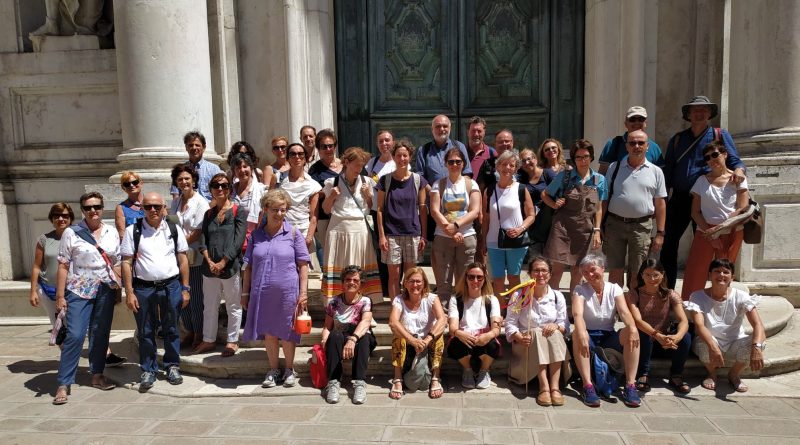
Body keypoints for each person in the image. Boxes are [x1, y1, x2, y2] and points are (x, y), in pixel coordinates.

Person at [661, 96, 746, 289]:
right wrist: (662, 199)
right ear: (688, 115)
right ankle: (666, 291)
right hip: (681, 198)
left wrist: (740, 169)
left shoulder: (720, 135)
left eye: (704, 110)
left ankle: (710, 292)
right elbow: (668, 170)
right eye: (695, 110)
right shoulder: (677, 140)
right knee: (668, 244)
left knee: (707, 247)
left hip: (708, 199)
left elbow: (735, 160)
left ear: (709, 114)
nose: (699, 113)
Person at [53, 192, 120, 405]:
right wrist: (60, 296)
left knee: (100, 333)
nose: (93, 211)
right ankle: (63, 383)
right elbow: (63, 265)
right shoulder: (72, 233)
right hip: (78, 290)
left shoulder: (111, 231)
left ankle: (97, 375)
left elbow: (116, 261)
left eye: (97, 207)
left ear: (102, 208)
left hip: (105, 289)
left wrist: (118, 288)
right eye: (89, 208)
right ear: (82, 210)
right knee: (75, 334)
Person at [241, 189, 310, 388]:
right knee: (269, 332)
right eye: (275, 210)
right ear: (265, 209)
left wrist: (303, 293)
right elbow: (249, 266)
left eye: (283, 210)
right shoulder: (256, 235)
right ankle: (273, 369)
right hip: (262, 292)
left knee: (287, 332)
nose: (279, 214)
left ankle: (289, 369)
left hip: (287, 292)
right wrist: (245, 293)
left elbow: (303, 265)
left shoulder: (294, 233)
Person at [121, 192, 191, 390]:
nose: (153, 210)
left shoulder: (173, 228)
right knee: (145, 330)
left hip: (171, 286)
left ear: (164, 208)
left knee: (171, 328)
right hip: (143, 288)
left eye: (157, 207)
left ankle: (172, 366)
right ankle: (148, 369)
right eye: (148, 206)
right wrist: (129, 292)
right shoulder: (132, 231)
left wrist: (185, 288)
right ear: (142, 208)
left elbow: (183, 259)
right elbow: (126, 263)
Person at [680, 141, 749, 300]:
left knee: (723, 273)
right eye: (707, 158)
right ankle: (691, 311)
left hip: (731, 231)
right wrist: (711, 234)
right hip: (706, 231)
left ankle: (719, 306)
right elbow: (695, 212)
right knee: (695, 272)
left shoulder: (738, 179)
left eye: (715, 155)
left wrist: (723, 228)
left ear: (724, 154)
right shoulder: (701, 181)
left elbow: (742, 209)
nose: (712, 159)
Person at [684, 259, 765, 393]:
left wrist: (757, 348)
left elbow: (758, 325)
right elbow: (699, 325)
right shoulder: (697, 296)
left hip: (735, 342)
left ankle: (734, 374)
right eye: (717, 271)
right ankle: (712, 374)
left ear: (732, 277)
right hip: (710, 341)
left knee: (758, 342)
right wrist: (712, 346)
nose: (721, 275)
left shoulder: (741, 296)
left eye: (726, 272)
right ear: (709, 275)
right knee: (704, 343)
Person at [571, 254, 641, 408]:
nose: (590, 275)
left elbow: (624, 312)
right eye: (585, 272)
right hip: (588, 335)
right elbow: (577, 314)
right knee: (577, 333)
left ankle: (630, 385)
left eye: (593, 270)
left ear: (603, 269)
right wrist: (582, 331)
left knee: (631, 332)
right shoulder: (580, 289)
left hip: (608, 337)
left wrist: (632, 327)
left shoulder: (614, 288)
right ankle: (587, 386)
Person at [602, 130, 667, 290]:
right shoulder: (614, 167)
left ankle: (633, 307)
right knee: (615, 271)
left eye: (640, 143)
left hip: (642, 227)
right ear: (626, 146)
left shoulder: (656, 171)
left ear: (647, 146)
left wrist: (660, 233)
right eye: (632, 143)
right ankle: (616, 309)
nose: (636, 146)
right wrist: (599, 227)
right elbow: (604, 199)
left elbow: (660, 204)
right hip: (615, 225)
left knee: (638, 271)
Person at [542, 139, 607, 293]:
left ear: (591, 157)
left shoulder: (599, 180)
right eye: (578, 157)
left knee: (578, 271)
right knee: (556, 269)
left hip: (585, 230)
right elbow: (545, 194)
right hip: (562, 228)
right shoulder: (565, 176)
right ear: (573, 158)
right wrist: (554, 204)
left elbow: (599, 207)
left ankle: (573, 310)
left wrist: (597, 230)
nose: (582, 160)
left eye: (586, 156)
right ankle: (554, 307)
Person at [194, 173, 247, 356]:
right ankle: (208, 339)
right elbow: (203, 239)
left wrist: (223, 262)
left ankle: (232, 341)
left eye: (224, 185)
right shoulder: (208, 213)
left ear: (229, 189)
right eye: (216, 185)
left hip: (230, 267)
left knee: (233, 305)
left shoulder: (237, 211)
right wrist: (209, 261)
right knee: (209, 304)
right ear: (211, 190)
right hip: (209, 268)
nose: (220, 189)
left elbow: (238, 240)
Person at [505, 257, 568, 406]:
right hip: (526, 347)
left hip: (551, 343)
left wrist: (556, 326)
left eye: (544, 270)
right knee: (538, 333)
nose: (540, 274)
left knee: (555, 332)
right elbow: (510, 323)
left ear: (550, 274)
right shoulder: (519, 295)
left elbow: (564, 324)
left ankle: (555, 387)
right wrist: (518, 336)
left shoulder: (557, 297)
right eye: (537, 270)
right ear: (530, 273)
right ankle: (544, 386)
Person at [321, 147, 381, 302]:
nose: (359, 169)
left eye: (361, 166)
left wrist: (368, 196)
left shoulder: (367, 182)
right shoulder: (332, 182)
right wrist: (332, 196)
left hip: (360, 230)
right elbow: (326, 209)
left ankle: (362, 306)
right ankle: (336, 306)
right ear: (346, 163)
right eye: (356, 165)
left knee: (360, 267)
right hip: (338, 229)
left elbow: (370, 208)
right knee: (340, 266)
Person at [627, 258, 692, 394]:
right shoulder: (634, 294)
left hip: (665, 342)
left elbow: (683, 321)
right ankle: (643, 374)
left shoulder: (670, 294)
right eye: (648, 275)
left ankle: (676, 375)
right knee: (644, 333)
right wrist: (657, 335)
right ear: (641, 276)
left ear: (662, 274)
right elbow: (637, 320)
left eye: (656, 275)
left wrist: (676, 337)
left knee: (686, 336)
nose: (652, 279)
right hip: (644, 341)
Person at [377, 140, 428, 301]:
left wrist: (423, 235)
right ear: (393, 157)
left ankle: (409, 305)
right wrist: (381, 236)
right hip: (391, 234)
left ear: (410, 157)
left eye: (405, 155)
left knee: (411, 276)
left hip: (412, 233)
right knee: (394, 275)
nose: (402, 159)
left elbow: (422, 209)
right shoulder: (385, 181)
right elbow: (379, 210)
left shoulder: (418, 180)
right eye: (398, 155)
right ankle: (396, 308)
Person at [430, 148, 481, 304]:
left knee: (465, 278)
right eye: (451, 161)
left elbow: (475, 211)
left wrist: (457, 225)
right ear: (446, 164)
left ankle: (461, 309)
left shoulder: (471, 184)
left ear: (463, 164)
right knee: (443, 279)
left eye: (458, 161)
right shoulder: (439, 184)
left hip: (466, 237)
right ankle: (444, 312)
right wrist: (450, 230)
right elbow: (434, 210)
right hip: (443, 237)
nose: (454, 164)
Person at [482, 150, 535, 301]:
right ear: (497, 166)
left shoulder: (521, 189)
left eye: (511, 165)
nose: (507, 168)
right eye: (504, 164)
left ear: (516, 168)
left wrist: (520, 229)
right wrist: (483, 241)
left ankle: (513, 311)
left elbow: (531, 215)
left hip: (516, 241)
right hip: (493, 241)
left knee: (513, 277)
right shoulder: (489, 190)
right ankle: (500, 312)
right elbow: (485, 218)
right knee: (497, 279)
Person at [388, 267, 447, 399]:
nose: (415, 285)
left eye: (419, 281)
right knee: (398, 336)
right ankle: (397, 378)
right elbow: (393, 322)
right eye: (411, 281)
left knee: (439, 335)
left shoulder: (432, 298)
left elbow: (442, 319)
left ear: (424, 283)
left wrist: (426, 340)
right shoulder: (399, 300)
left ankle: (436, 378)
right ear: (405, 283)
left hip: (427, 342)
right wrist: (412, 340)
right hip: (408, 343)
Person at [321, 265, 376, 404]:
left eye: (355, 280)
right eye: (348, 279)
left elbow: (365, 323)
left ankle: (360, 382)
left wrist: (353, 339)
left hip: (360, 336)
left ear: (360, 283)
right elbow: (327, 327)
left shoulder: (365, 301)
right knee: (334, 335)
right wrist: (324, 340)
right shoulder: (333, 302)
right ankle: (333, 382)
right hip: (341, 335)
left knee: (364, 339)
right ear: (343, 282)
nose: (351, 282)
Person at [170, 163, 210, 349]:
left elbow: (198, 231)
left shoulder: (200, 202)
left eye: (187, 178)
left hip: (194, 256)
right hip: (178, 256)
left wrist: (180, 244)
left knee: (194, 298)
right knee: (180, 294)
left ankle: (199, 332)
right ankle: (189, 329)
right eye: (180, 179)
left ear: (193, 180)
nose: (184, 182)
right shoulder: (176, 202)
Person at [415, 114, 473, 242]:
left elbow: (467, 173)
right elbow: (420, 177)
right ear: (432, 129)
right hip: (434, 206)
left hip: (457, 205)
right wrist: (434, 192)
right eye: (438, 126)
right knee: (437, 243)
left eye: (445, 126)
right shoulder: (423, 150)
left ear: (450, 128)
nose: (442, 129)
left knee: (460, 241)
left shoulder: (459, 147)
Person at [447, 262, 502, 390]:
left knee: (493, 344)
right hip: (465, 337)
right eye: (471, 277)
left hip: (483, 338)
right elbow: (453, 327)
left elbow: (496, 328)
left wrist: (488, 335)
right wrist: (459, 333)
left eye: (479, 277)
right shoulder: (456, 299)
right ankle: (468, 370)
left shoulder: (491, 300)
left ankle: (484, 370)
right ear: (465, 278)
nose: (475, 281)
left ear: (484, 279)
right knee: (456, 343)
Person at [29, 203, 74, 328]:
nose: (61, 219)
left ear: (70, 218)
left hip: (73, 290)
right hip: (49, 290)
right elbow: (36, 266)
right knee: (58, 327)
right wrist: (33, 291)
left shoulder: (78, 238)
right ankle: (64, 348)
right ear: (52, 219)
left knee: (75, 327)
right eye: (56, 216)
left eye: (64, 215)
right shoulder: (44, 240)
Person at [366, 130, 397, 297]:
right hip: (375, 211)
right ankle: (383, 284)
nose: (384, 144)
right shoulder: (372, 162)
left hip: (393, 212)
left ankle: (394, 284)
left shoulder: (397, 162)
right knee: (379, 248)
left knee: (392, 248)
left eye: (387, 140)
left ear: (393, 142)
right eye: (381, 141)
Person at [277, 143, 321, 253]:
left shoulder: (313, 185)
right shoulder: (278, 178)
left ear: (305, 159)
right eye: (293, 154)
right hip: (281, 231)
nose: (297, 157)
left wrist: (309, 238)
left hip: (304, 232)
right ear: (287, 158)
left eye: (300, 154)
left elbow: (314, 216)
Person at [308, 128, 343, 267]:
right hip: (324, 217)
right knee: (328, 253)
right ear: (318, 148)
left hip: (343, 216)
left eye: (331, 145)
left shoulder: (346, 165)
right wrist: (326, 192)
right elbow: (312, 194)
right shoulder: (315, 170)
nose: (328, 149)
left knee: (343, 252)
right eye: (324, 146)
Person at [598, 106, 664, 174]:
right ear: (626, 124)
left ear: (645, 123)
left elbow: (660, 176)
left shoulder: (654, 148)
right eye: (632, 119)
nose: (637, 122)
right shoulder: (613, 145)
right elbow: (602, 175)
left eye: (641, 119)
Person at [517, 147, 556, 256]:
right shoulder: (521, 178)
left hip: (548, 217)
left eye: (529, 159)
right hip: (530, 219)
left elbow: (559, 189)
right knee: (535, 258)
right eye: (523, 161)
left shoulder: (547, 173)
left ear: (535, 159)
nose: (527, 163)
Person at [170, 131, 223, 202]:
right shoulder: (180, 171)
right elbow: (176, 196)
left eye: (197, 145)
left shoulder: (214, 169)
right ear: (186, 148)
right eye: (191, 145)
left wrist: (207, 210)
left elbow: (219, 194)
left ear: (204, 147)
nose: (194, 148)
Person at [230, 152, 268, 240]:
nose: (242, 170)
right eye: (238, 168)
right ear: (234, 171)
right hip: (232, 239)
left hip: (255, 238)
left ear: (251, 168)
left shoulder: (262, 191)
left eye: (245, 166)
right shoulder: (229, 191)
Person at [466, 116, 495, 192]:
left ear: (484, 132)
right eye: (473, 131)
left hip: (485, 200)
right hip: (463, 199)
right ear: (467, 132)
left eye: (479, 131)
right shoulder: (460, 153)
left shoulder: (492, 153)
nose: (476, 134)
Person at [114, 171, 144, 239]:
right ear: (123, 187)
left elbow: (166, 224)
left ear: (141, 183)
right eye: (127, 184)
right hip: (133, 246)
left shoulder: (153, 202)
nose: (131, 185)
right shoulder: (121, 208)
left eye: (135, 182)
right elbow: (122, 235)